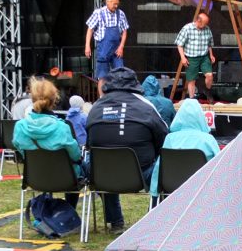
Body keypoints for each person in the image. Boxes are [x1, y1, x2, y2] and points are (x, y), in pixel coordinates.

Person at [86, 67, 168, 234]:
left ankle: (115, 221)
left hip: (102, 176)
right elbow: (164, 138)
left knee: (103, 162)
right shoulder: (146, 107)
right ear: (135, 84)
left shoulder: (96, 108)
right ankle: (154, 221)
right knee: (164, 167)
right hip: (140, 174)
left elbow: (89, 142)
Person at [13, 76, 83, 208]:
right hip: (65, 179)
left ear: (32, 99)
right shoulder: (62, 127)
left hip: (35, 178)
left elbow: (21, 151)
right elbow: (75, 155)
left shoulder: (19, 127)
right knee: (81, 167)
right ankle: (69, 211)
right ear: (54, 100)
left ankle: (46, 212)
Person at [149, 98, 220, 197]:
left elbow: (159, 166)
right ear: (200, 117)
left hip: (172, 186)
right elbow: (220, 166)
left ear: (179, 117)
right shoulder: (209, 140)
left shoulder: (169, 139)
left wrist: (154, 190)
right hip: (202, 188)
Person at [85, 0, 129, 97]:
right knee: (102, 76)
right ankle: (102, 99)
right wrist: (87, 45)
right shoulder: (98, 13)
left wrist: (121, 46)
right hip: (103, 49)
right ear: (108, 2)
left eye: (117, 4)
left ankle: (119, 97)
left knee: (119, 73)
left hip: (116, 49)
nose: (116, 6)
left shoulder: (121, 14)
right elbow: (90, 29)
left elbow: (124, 31)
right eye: (114, 4)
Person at [175, 12, 216, 102]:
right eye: (204, 23)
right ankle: (192, 99)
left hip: (204, 56)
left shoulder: (207, 29)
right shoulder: (187, 28)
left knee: (210, 75)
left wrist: (211, 54)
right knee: (191, 80)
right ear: (198, 21)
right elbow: (179, 44)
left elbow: (209, 43)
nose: (206, 25)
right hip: (191, 57)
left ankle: (207, 91)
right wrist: (183, 57)